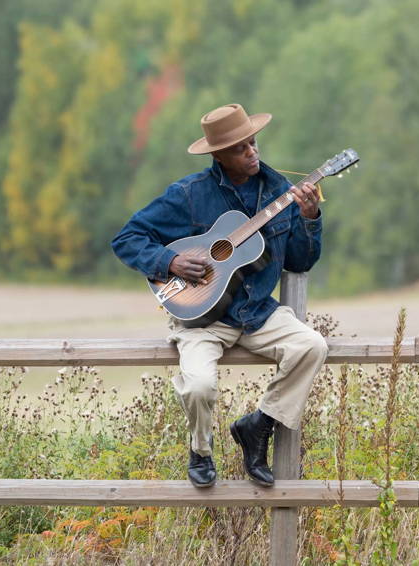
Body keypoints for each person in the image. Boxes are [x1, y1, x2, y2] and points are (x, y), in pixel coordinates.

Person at [111, 103, 328, 488]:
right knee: (198, 386)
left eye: (253, 143)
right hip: (202, 318)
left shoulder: (279, 191)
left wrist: (310, 219)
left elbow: (300, 260)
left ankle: (257, 426)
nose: (253, 152)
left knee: (312, 346)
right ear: (219, 156)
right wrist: (170, 261)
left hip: (258, 312)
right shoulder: (190, 195)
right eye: (241, 148)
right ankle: (201, 450)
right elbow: (127, 238)